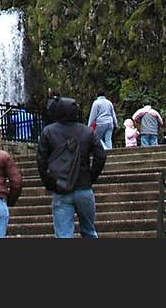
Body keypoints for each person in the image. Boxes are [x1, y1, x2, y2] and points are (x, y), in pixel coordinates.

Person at [36, 96, 107, 238]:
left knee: (63, 235)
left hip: (61, 188)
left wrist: (50, 183)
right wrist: (91, 177)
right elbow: (101, 156)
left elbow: (41, 161)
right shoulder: (87, 131)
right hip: (84, 187)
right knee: (89, 232)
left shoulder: (48, 132)